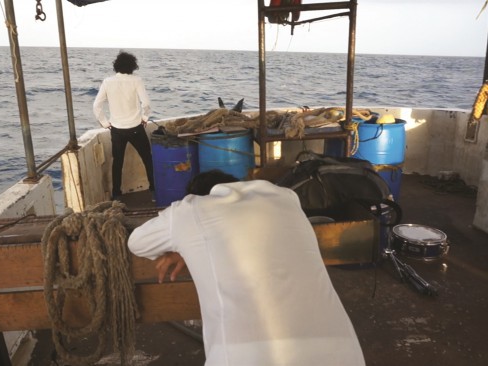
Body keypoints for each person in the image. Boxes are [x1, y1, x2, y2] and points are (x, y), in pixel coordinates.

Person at [128, 170, 365, 365]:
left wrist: (181, 245)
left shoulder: (190, 209)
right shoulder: (286, 199)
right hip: (342, 352)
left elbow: (137, 242)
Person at [93, 51, 154, 199]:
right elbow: (146, 103)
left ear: (116, 66)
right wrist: (145, 118)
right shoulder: (136, 80)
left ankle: (116, 194)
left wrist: (105, 123)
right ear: (133, 66)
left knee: (117, 163)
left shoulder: (107, 82)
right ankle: (154, 190)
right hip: (136, 128)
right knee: (147, 158)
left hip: (117, 130)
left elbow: (97, 105)